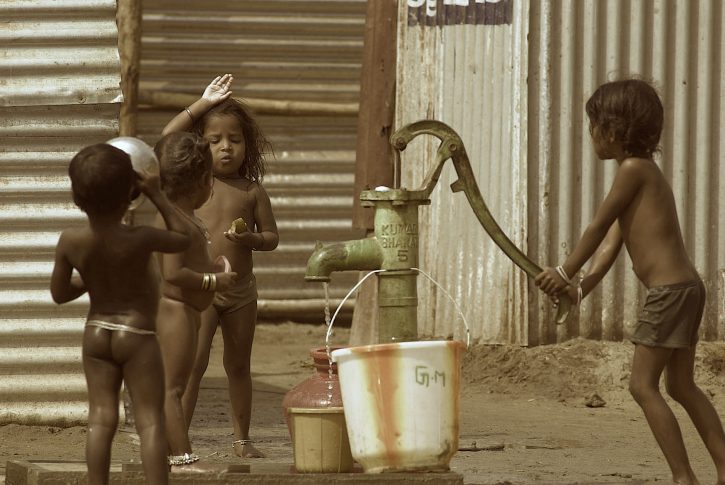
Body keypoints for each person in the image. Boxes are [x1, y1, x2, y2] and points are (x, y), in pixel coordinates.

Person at [535, 79, 725, 485]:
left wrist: (564, 272)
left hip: (669, 294)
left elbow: (596, 227)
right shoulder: (643, 174)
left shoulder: (632, 170)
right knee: (681, 385)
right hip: (686, 290)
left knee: (642, 386)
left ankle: (682, 477)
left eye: (593, 126)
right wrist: (580, 288)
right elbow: (611, 243)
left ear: (615, 131)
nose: (590, 135)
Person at [50, 143, 191, 485]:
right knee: (150, 421)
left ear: (76, 197)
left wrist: (92, 277)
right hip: (137, 335)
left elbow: (59, 294)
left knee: (100, 418)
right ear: (131, 193)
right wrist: (157, 194)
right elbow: (183, 238)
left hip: (96, 333)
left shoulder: (70, 241)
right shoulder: (140, 237)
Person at [161, 74, 279, 458]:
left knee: (238, 366)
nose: (226, 148)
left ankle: (242, 440)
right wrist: (202, 103)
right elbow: (167, 137)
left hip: (242, 292)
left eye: (235, 140)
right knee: (193, 366)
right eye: (214, 141)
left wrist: (252, 241)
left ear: (248, 145)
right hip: (205, 290)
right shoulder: (198, 184)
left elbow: (273, 238)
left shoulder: (252, 190)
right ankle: (181, 443)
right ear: (200, 146)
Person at [153, 132, 238, 469]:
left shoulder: (184, 217)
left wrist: (212, 268)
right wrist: (213, 280)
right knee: (172, 389)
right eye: (210, 179)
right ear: (203, 181)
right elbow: (173, 274)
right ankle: (182, 456)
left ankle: (166, 451)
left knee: (176, 385)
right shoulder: (174, 221)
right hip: (174, 314)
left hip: (188, 313)